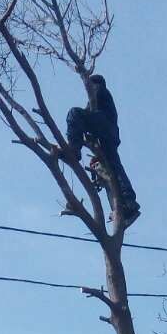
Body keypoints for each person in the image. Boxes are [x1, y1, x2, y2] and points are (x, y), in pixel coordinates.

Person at [63, 73, 140, 223]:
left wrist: (78, 138)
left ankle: (73, 148)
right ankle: (122, 205)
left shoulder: (99, 90)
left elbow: (88, 111)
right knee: (111, 168)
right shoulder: (105, 98)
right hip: (109, 133)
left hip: (105, 127)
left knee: (74, 113)